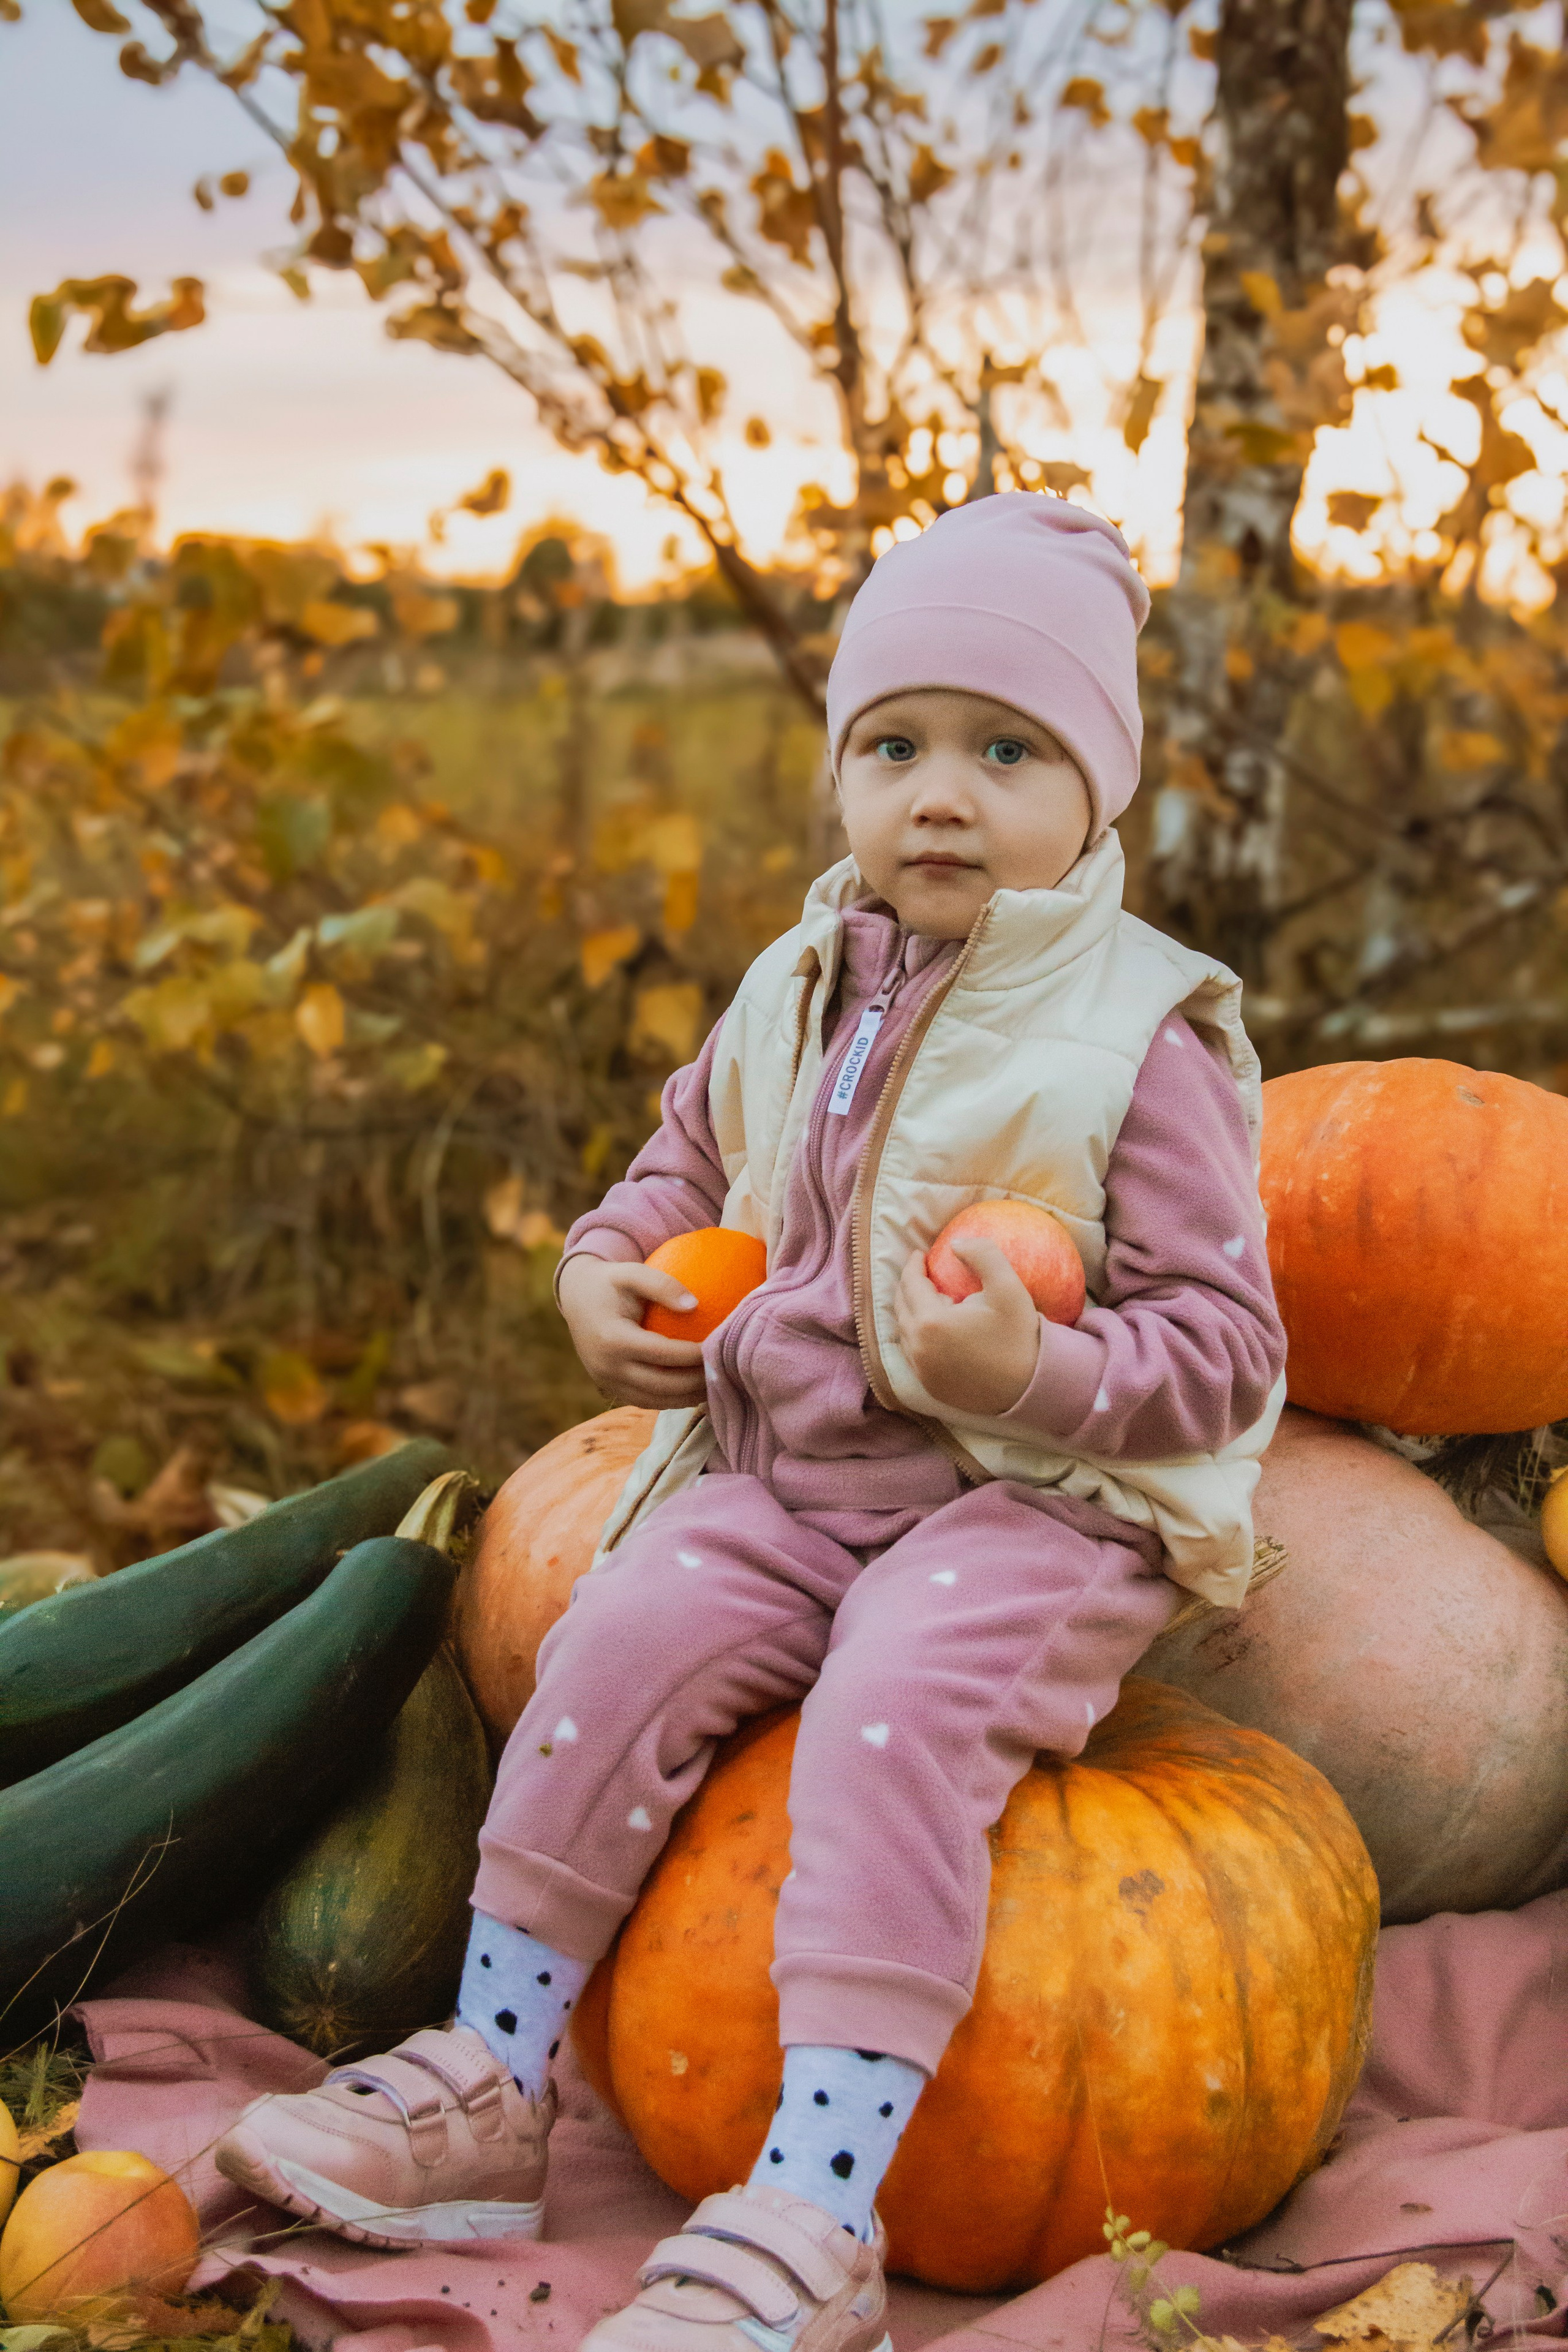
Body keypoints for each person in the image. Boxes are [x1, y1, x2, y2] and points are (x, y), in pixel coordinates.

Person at [217, 495, 1287, 2352]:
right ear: (843, 771)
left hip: (1041, 1503)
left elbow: (1227, 1347)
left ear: (1099, 787)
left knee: (898, 1699)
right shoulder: (798, 984)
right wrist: (601, 1270)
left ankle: (816, 2198)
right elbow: (681, 1163)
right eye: (895, 746)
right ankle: (494, 2074)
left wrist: (1027, 1373)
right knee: (612, 1629)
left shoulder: (1142, 1037)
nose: (939, 796)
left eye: (1006, 749)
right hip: (798, 1475)